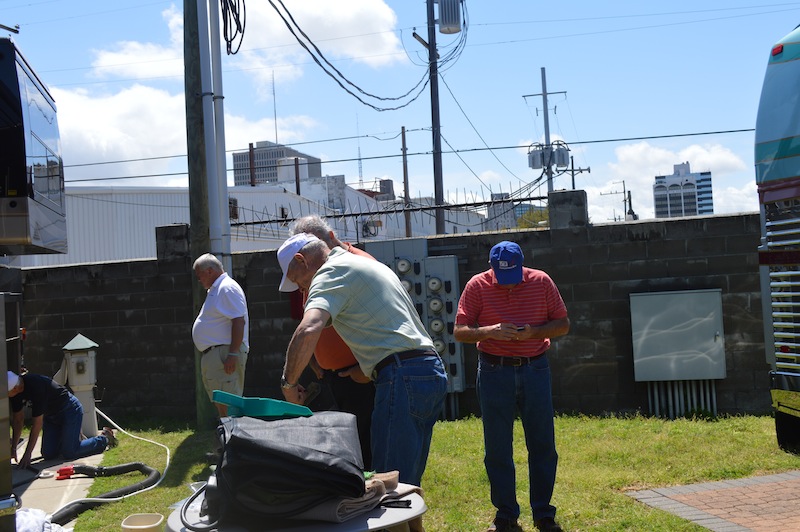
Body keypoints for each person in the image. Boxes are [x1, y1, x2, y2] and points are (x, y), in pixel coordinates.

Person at [277, 232, 447, 487]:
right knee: (407, 483)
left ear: (302, 261)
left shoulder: (329, 273)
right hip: (428, 369)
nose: (302, 289)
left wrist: (288, 386)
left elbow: (308, 328)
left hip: (401, 376)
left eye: (297, 281)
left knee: (388, 486)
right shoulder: (365, 263)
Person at [454, 241, 570, 532]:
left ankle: (544, 514)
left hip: (535, 367)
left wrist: (535, 332)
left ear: (522, 266)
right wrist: (489, 331)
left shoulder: (541, 281)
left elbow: (563, 324)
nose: (508, 286)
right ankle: (506, 514)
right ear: (492, 269)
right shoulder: (477, 285)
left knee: (543, 444)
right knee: (497, 446)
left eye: (514, 277)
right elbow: (459, 331)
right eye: (502, 279)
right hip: (494, 370)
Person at [288, 215, 376, 469]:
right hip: (333, 376)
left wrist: (366, 368)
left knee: (367, 446)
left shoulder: (359, 263)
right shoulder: (311, 272)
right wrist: (315, 361)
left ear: (331, 239)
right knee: (346, 446)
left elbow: (377, 322)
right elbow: (306, 321)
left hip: (361, 375)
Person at [8, 371, 115, 469]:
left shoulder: (36, 386)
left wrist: (27, 454)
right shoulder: (15, 393)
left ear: (15, 388)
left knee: (70, 452)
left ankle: (104, 438)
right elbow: (18, 420)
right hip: (51, 417)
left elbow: (37, 425)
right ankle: (70, 440)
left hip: (69, 410)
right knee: (48, 454)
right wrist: (13, 449)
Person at [191, 253, 249, 419]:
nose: (199, 279)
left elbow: (239, 321)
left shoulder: (226, 287)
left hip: (224, 355)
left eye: (199, 275)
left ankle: (233, 442)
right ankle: (228, 441)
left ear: (209, 271)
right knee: (223, 406)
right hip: (218, 355)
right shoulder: (217, 289)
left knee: (230, 406)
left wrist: (232, 354)